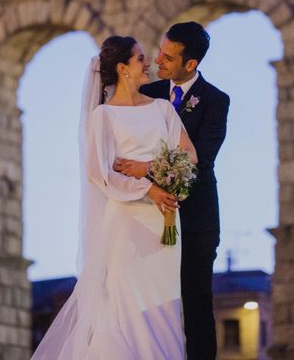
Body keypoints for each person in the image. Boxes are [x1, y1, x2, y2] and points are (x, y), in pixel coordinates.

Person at [32, 35, 197, 360]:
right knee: (125, 306)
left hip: (164, 220)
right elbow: (102, 174)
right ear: (123, 68)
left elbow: (189, 155)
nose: (147, 62)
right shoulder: (103, 117)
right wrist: (150, 188)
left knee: (163, 306)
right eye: (139, 58)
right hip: (128, 220)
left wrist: (152, 169)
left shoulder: (163, 109)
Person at [115, 22, 229, 359]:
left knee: (196, 306)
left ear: (191, 64)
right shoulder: (147, 94)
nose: (158, 61)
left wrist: (145, 169)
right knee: (148, 305)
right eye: (159, 52)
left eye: (168, 57)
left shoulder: (215, 101)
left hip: (196, 219)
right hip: (146, 216)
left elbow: (201, 160)